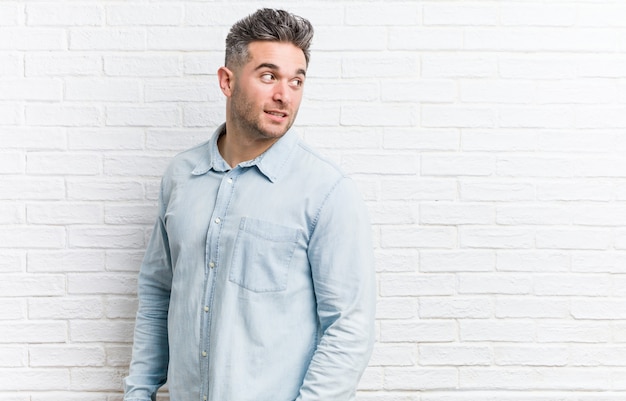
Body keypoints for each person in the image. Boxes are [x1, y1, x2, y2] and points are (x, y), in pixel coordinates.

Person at [124, 8, 375, 401]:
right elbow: (159, 294)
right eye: (269, 76)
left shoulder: (327, 191)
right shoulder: (180, 177)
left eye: (296, 81)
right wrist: (137, 393)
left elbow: (349, 327)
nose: (284, 95)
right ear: (227, 81)